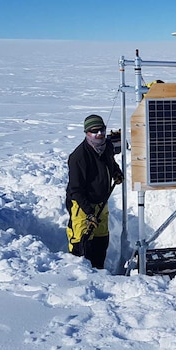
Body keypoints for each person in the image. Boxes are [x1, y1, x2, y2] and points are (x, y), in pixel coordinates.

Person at [66, 114, 124, 269]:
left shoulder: (107, 147)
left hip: (101, 202)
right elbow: (75, 190)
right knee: (82, 244)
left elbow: (110, 163)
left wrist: (116, 173)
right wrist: (89, 212)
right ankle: (79, 275)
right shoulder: (78, 158)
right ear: (87, 133)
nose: (100, 134)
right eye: (95, 131)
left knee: (101, 240)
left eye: (102, 130)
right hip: (82, 205)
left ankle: (100, 271)